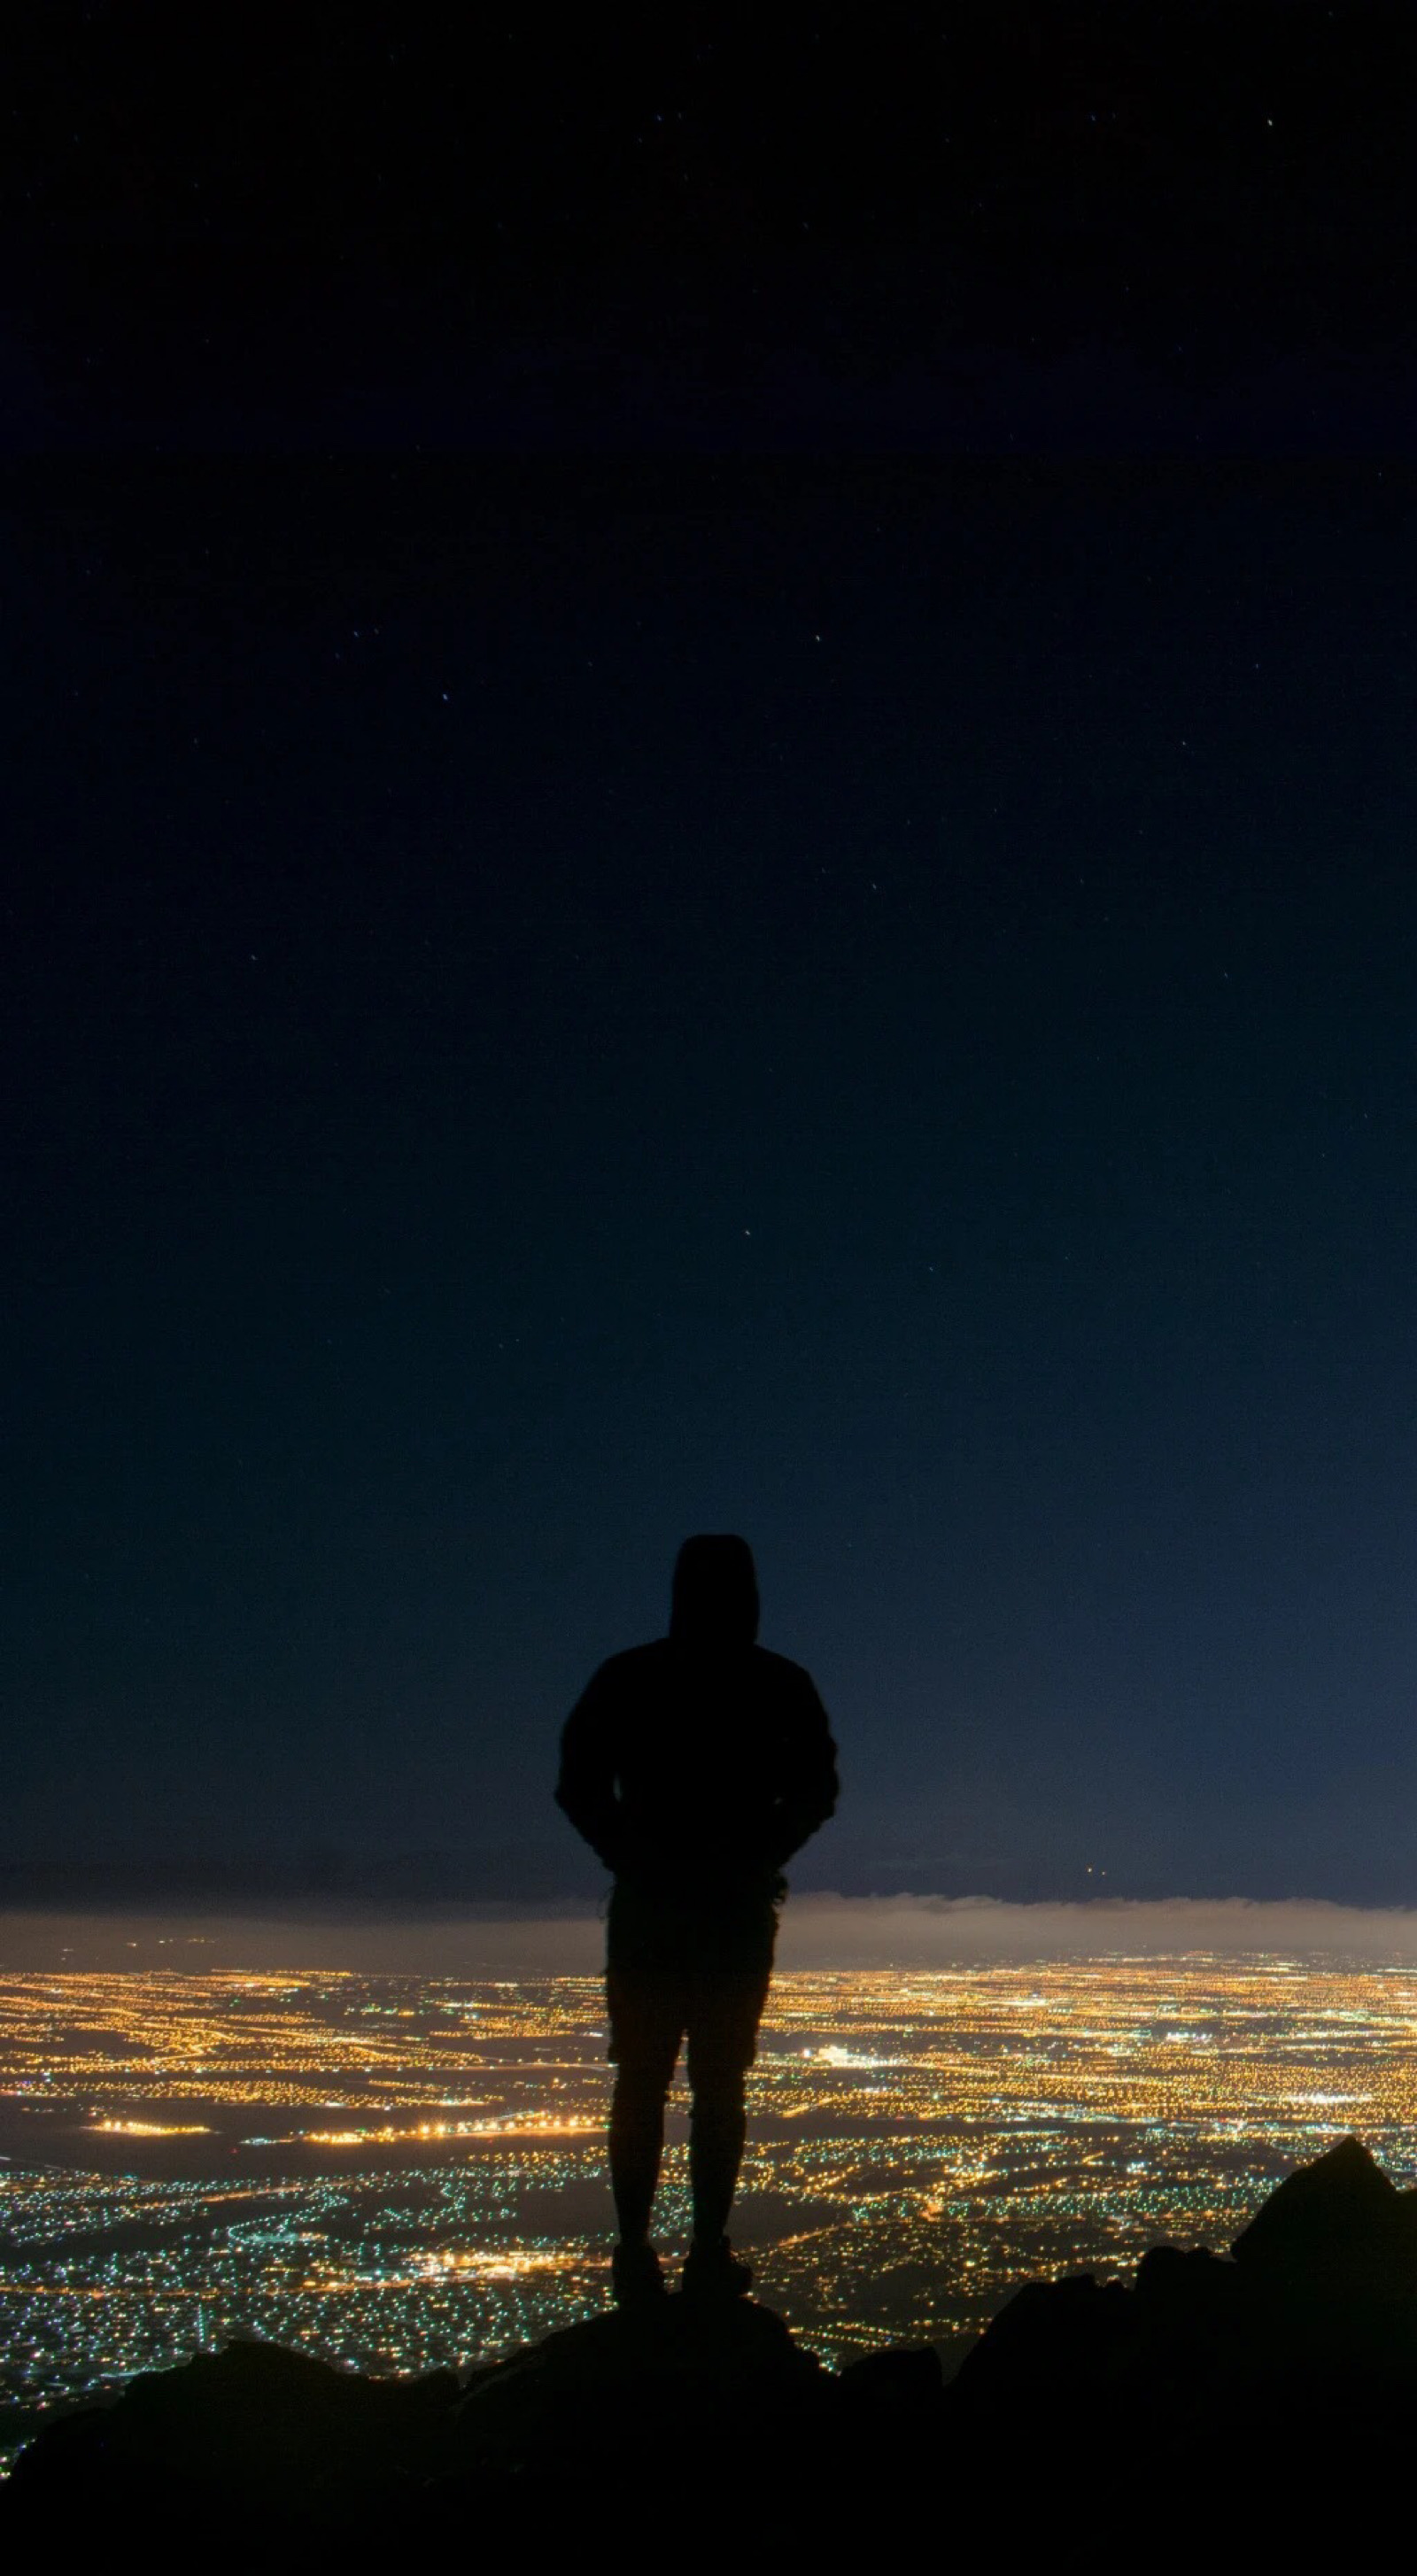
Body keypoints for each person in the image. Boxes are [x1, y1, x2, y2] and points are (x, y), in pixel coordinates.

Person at [556, 1534, 839, 2304]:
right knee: (717, 2087)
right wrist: (758, 1856)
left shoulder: (630, 1678)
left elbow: (577, 1783)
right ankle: (705, 2254)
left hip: (652, 1911)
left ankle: (635, 2254)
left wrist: (631, 1856)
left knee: (642, 2082)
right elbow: (818, 1791)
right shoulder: (779, 1684)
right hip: (732, 1915)